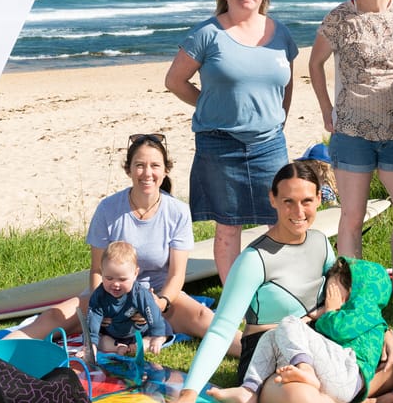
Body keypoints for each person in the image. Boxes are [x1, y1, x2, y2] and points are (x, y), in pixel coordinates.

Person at [149, 162, 393, 403]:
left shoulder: (320, 243)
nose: (298, 211)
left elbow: (348, 294)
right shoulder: (254, 260)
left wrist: (382, 330)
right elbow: (221, 330)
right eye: (288, 201)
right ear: (273, 200)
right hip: (272, 363)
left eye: (306, 201)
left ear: (319, 199)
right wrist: (189, 391)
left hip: (325, 350)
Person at [12, 132, 230, 350]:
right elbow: (97, 270)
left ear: (165, 170)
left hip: (157, 296)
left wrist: (160, 303)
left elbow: (176, 274)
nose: (147, 173)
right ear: (128, 169)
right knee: (54, 316)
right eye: (139, 165)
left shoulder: (178, 211)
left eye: (155, 165)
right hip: (109, 293)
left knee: (203, 317)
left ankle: (248, 351)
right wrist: (103, 304)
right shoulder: (108, 209)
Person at [166, 0, 298, 282]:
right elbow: (175, 81)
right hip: (219, 144)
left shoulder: (281, 33)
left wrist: (279, 117)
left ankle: (279, 288)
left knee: (279, 219)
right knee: (228, 227)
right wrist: (209, 105)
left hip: (270, 144)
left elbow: (287, 82)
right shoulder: (206, 34)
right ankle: (233, 296)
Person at [308, 0, 393, 299]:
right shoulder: (339, 18)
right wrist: (326, 109)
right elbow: (315, 63)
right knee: (352, 216)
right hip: (352, 131)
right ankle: (353, 289)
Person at [211, 256, 393, 403]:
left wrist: (330, 311)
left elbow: (337, 331)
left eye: (333, 292)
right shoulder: (363, 315)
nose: (329, 299)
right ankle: (249, 389)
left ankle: (305, 369)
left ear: (355, 291)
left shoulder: (366, 314)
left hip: (348, 376)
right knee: (271, 335)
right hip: (338, 374)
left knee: (289, 322)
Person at [87, 240, 173, 357]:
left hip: (139, 331)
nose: (115, 284)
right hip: (112, 334)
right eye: (109, 278)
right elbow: (93, 319)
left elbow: (153, 312)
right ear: (102, 272)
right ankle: (117, 347)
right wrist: (92, 342)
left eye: (122, 279)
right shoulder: (99, 295)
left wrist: (157, 334)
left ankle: (144, 343)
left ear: (135, 274)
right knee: (99, 338)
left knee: (164, 328)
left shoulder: (139, 294)